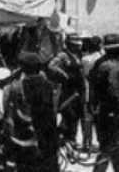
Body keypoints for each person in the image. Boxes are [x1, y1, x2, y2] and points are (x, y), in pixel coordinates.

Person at [3, 51, 59, 172]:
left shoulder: (14, 87)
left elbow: (7, 112)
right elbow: (53, 112)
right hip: (46, 137)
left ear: (22, 68)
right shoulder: (49, 86)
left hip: (24, 137)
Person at [90, 33, 119, 172]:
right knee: (109, 150)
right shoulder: (114, 66)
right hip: (113, 115)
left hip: (102, 113)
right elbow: (114, 93)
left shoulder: (99, 63)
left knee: (109, 149)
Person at [48, 32, 84, 144]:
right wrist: (64, 74)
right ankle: (67, 138)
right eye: (74, 44)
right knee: (69, 113)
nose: (77, 46)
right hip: (67, 89)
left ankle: (71, 137)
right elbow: (51, 66)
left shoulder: (77, 54)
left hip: (77, 88)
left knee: (76, 114)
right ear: (68, 44)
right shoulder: (63, 55)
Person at [81, 35, 104, 152]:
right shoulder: (103, 58)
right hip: (101, 94)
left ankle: (86, 144)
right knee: (100, 119)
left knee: (88, 119)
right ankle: (102, 144)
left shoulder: (85, 60)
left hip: (88, 91)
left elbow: (83, 76)